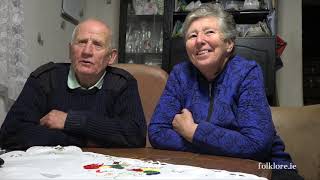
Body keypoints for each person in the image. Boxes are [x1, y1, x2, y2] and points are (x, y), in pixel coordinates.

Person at [148, 4, 303, 180]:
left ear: (229, 43)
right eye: (192, 35)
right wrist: (221, 145)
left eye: (209, 32)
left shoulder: (247, 73)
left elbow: (257, 145)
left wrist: (192, 132)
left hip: (268, 167)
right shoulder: (179, 74)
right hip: (203, 167)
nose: (199, 40)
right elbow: (157, 132)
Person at [0, 18, 146, 150]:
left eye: (97, 45)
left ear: (111, 57)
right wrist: (83, 140)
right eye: (81, 42)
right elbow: (10, 133)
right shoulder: (45, 79)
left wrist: (70, 121)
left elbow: (136, 135)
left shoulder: (123, 83)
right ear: (70, 50)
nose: (87, 51)